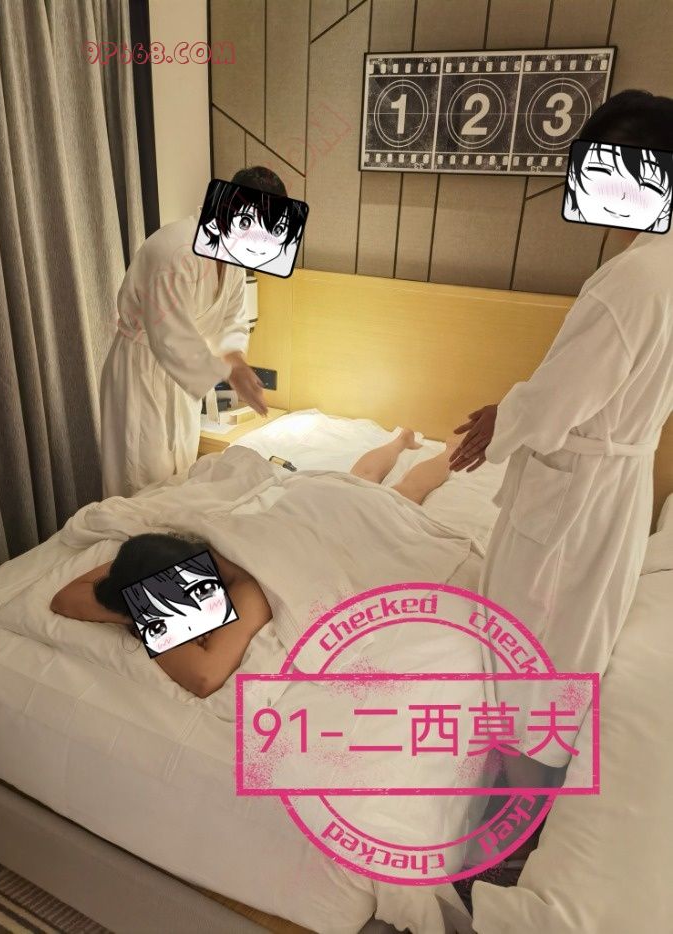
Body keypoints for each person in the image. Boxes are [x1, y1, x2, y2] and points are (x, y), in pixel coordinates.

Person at [449, 89, 673, 790]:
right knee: (576, 632)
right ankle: (538, 776)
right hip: (620, 477)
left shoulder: (632, 280)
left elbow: (561, 399)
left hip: (580, 485)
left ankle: (515, 799)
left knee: (538, 633)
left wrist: (505, 419)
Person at [51, 430, 459, 697]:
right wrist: (140, 610)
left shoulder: (249, 585)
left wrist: (144, 619)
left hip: (326, 516)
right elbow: (65, 598)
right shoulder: (168, 552)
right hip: (307, 509)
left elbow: (205, 676)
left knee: (405, 491)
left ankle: (448, 449)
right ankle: (401, 439)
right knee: (365, 477)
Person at [99, 166, 284, 499]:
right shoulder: (175, 251)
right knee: (139, 479)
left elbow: (232, 319)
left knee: (180, 473)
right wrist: (229, 373)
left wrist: (237, 361)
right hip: (143, 369)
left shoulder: (233, 259)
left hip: (182, 378)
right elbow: (169, 337)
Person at [193, 178, 307, 274]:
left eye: (278, 230)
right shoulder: (188, 249)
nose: (261, 243)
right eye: (245, 223)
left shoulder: (235, 264)